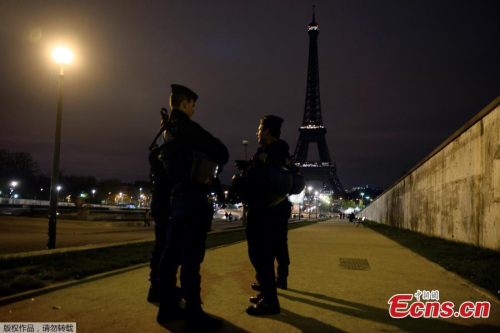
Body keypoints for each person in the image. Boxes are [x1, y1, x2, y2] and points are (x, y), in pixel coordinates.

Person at [157, 84, 229, 331]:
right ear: (185, 103)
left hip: (176, 199)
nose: (194, 111)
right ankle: (194, 313)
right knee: (191, 258)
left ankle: (166, 307)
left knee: (171, 254)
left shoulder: (166, 130)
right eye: (193, 105)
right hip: (193, 199)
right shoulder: (188, 128)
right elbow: (222, 152)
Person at [235, 115, 292, 316]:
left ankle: (270, 301)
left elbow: (259, 182)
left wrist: (241, 183)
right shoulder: (280, 153)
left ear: (267, 131)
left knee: (260, 255)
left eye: (259, 129)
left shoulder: (267, 154)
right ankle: (267, 294)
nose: (257, 132)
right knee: (266, 254)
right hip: (275, 209)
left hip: (263, 211)